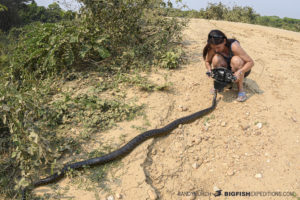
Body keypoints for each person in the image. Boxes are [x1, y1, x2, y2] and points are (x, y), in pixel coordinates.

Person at [203, 29, 254, 102]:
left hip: (240, 70)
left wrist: (240, 71)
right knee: (216, 59)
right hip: (226, 69)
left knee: (236, 60)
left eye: (218, 47)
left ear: (224, 41)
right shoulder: (212, 48)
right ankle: (219, 84)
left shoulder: (234, 46)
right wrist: (209, 70)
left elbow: (250, 62)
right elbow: (207, 61)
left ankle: (240, 90)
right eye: (214, 48)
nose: (216, 50)